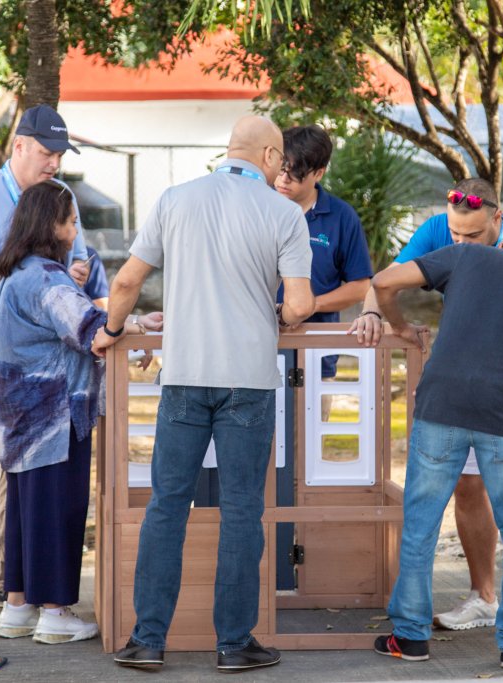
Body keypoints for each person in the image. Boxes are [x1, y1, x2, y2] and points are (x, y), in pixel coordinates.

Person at [102, 115, 315, 672]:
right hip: (247, 378)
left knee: (166, 507)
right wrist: (279, 309)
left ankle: (147, 639)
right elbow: (297, 306)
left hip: (184, 376)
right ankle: (234, 644)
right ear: (270, 156)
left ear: (230, 152)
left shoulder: (175, 199)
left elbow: (126, 282)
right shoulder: (284, 214)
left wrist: (111, 331)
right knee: (243, 511)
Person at [350, 178, 503, 636]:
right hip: (463, 385)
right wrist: (381, 317)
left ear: (498, 220)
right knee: (469, 487)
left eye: (472, 238)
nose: (461, 244)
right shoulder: (443, 230)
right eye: (455, 237)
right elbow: (382, 281)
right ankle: (487, 601)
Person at [0, 180, 161, 645]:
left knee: (26, 512)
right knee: (58, 511)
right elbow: (94, 334)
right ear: (53, 226)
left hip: (19, 418)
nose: (76, 229)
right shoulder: (48, 279)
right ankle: (56, 612)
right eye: (72, 220)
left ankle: (18, 606)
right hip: (55, 417)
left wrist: (136, 323)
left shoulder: (16, 273)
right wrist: (133, 325)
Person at [0, 104, 91, 627]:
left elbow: (83, 271)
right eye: (47, 152)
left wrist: (74, 275)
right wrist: (26, 283)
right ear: (19, 145)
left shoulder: (61, 201)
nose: (54, 163)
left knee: (18, 484)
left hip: (41, 375)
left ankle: (11, 590)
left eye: (60, 155)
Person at [274, 125, 372, 410]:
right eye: (281, 169)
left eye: (295, 175)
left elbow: (360, 286)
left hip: (316, 356)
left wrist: (307, 305)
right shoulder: (257, 207)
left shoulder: (341, 217)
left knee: (305, 449)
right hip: (256, 353)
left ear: (319, 173)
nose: (283, 180)